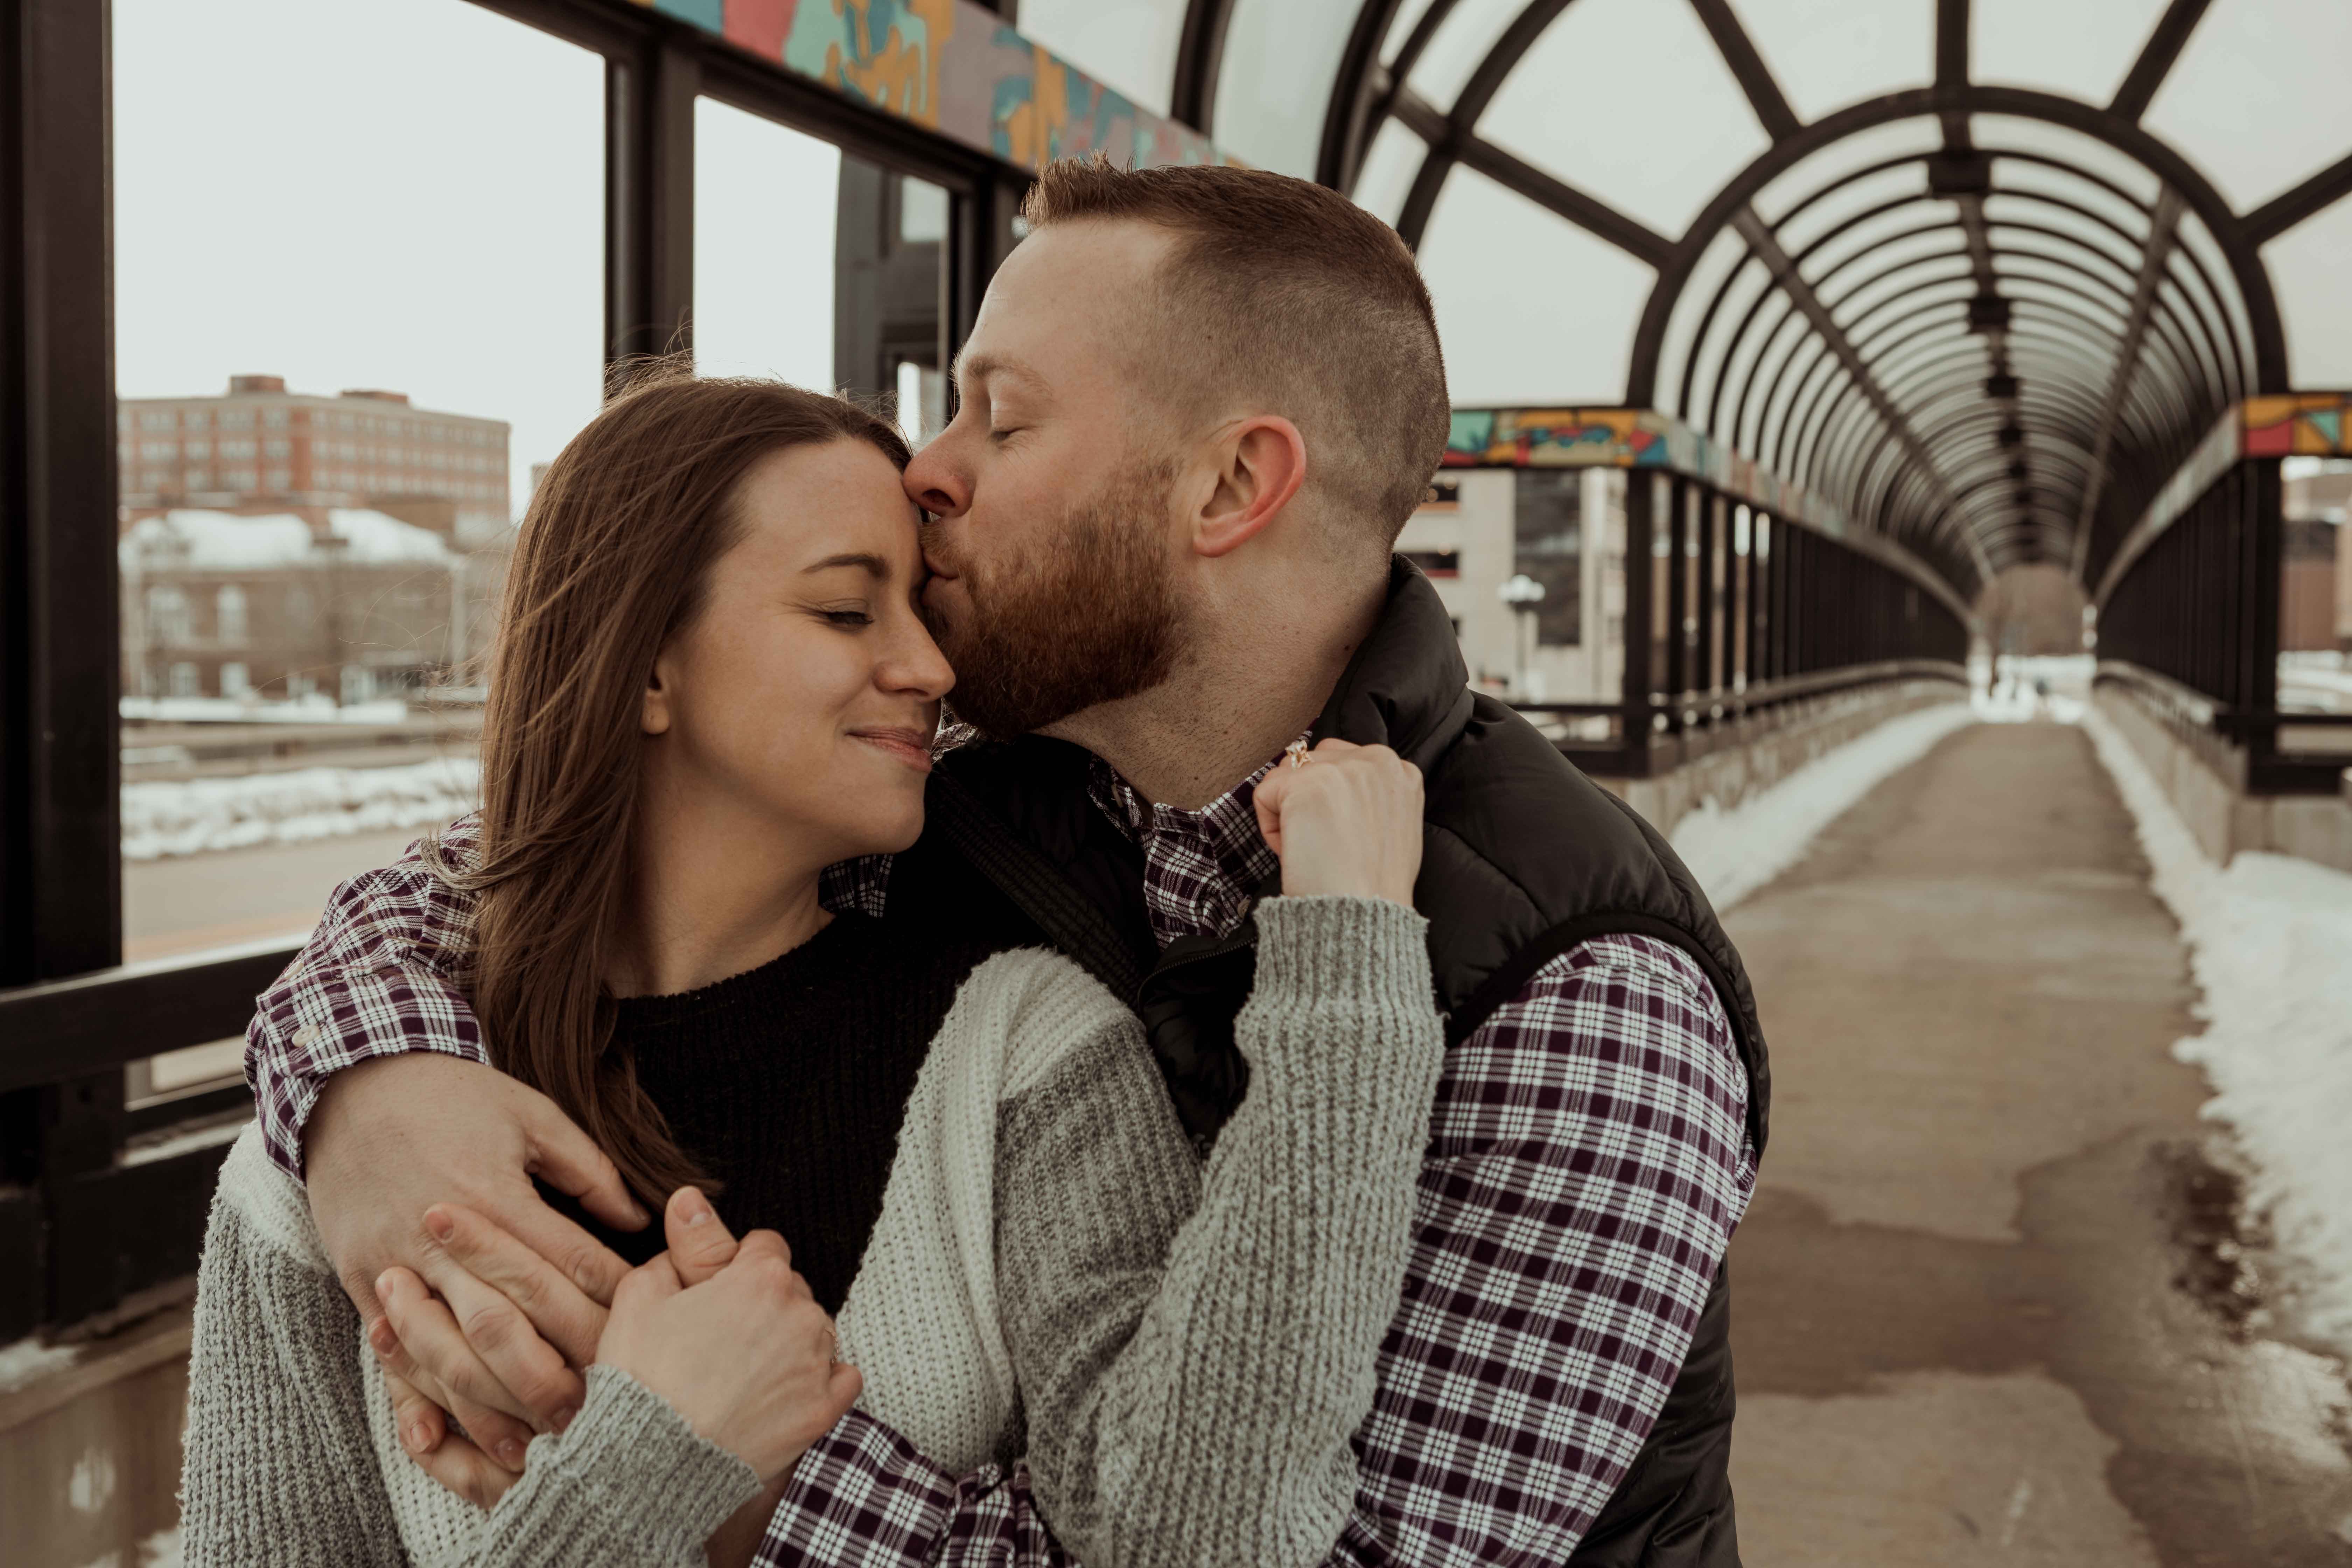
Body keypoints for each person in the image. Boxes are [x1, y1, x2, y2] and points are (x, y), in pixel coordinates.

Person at [247, 159, 1769, 1565]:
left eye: (1002, 415)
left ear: (1232, 487)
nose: (928, 467)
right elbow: (537, 867)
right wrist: (367, 1093)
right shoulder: (995, 797)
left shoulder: (1589, 1004)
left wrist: (721, 1479)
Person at [180, 369, 1450, 1566]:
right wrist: (645, 1471)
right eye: (847, 610)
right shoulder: (344, 1156)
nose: (932, 670)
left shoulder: (1023, 1051)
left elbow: (1202, 1538)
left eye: (919, 608)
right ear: (646, 664)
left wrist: (1345, 980)